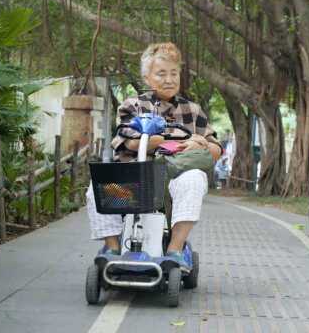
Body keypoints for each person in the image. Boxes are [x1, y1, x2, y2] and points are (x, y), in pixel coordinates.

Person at [85, 42, 222, 267]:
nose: (169, 79)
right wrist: (170, 143)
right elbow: (127, 142)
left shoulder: (192, 110)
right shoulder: (132, 105)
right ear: (147, 78)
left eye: (174, 73)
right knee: (96, 186)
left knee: (195, 178)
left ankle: (175, 250)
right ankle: (112, 246)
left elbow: (216, 149)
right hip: (135, 183)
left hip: (172, 182)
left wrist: (200, 145)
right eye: (161, 73)